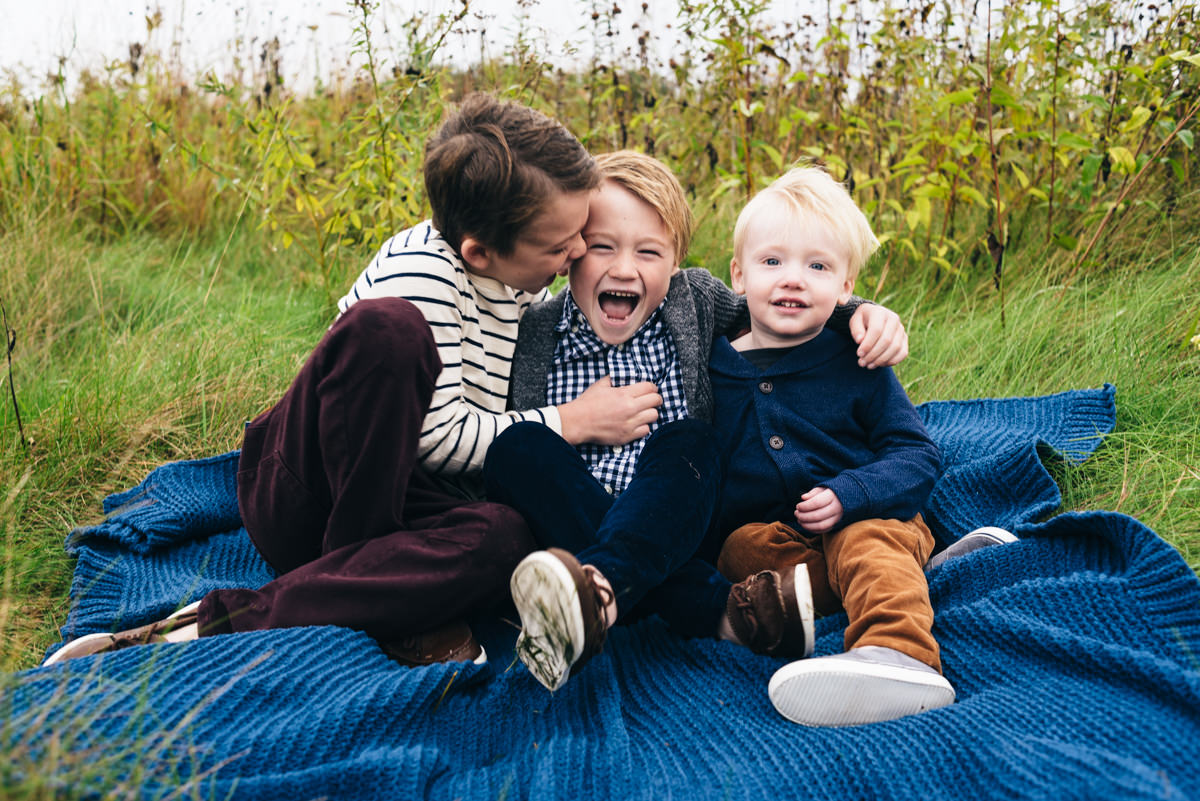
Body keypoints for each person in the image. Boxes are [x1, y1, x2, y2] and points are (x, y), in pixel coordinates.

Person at [44, 95, 658, 668]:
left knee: (503, 537)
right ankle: (336, 603)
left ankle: (321, 602)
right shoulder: (423, 275)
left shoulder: (523, 277)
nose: (578, 251)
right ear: (479, 253)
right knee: (389, 331)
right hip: (314, 494)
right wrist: (570, 422)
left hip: (403, 507)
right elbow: (438, 438)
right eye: (561, 243)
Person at [483, 151, 910, 691]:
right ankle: (719, 612)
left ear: (676, 263)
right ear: (570, 250)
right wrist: (573, 421)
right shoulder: (535, 330)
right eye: (601, 247)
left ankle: (599, 592)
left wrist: (863, 313)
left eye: (649, 251)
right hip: (573, 515)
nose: (623, 268)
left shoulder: (692, 301)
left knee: (689, 439)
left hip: (676, 515)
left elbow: (781, 299)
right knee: (516, 445)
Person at [709, 165, 953, 727]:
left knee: (864, 540)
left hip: (873, 516)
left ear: (846, 288)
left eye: (817, 266)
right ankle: (911, 578)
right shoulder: (714, 368)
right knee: (738, 550)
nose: (793, 279)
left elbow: (917, 455)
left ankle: (902, 654)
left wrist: (853, 492)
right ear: (739, 275)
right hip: (787, 542)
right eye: (773, 262)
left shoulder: (856, 361)